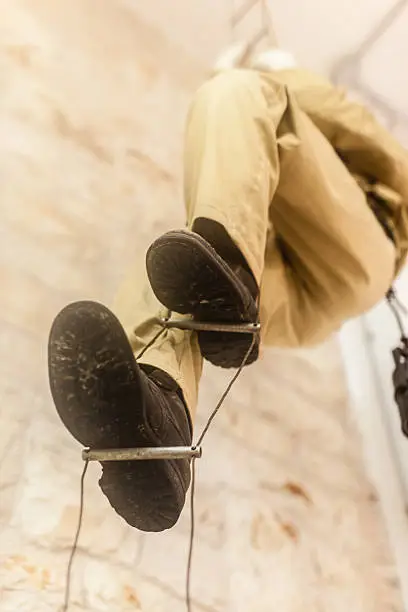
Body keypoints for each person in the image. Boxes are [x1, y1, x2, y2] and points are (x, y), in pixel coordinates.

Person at [48, 44, 408, 533]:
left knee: (234, 91)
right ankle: (161, 416)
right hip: (291, 297)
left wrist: (284, 72)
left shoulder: (291, 101)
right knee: (173, 278)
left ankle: (231, 271)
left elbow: (362, 133)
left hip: (356, 254)